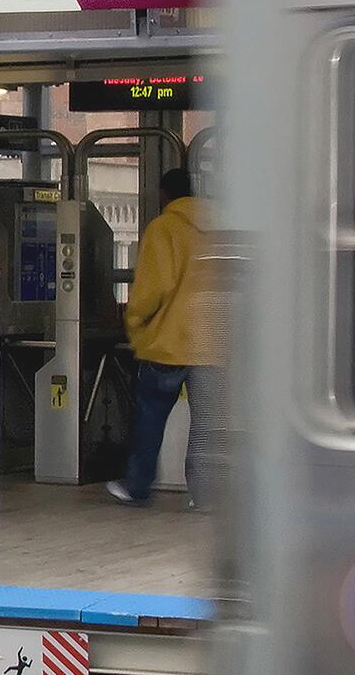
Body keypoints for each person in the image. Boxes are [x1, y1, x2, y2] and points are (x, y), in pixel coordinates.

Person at [107, 167, 217, 511]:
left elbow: (154, 286)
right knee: (207, 424)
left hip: (168, 345)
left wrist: (134, 323)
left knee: (151, 417)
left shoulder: (164, 228)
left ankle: (138, 486)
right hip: (212, 343)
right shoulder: (218, 229)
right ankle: (206, 493)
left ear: (166, 194)